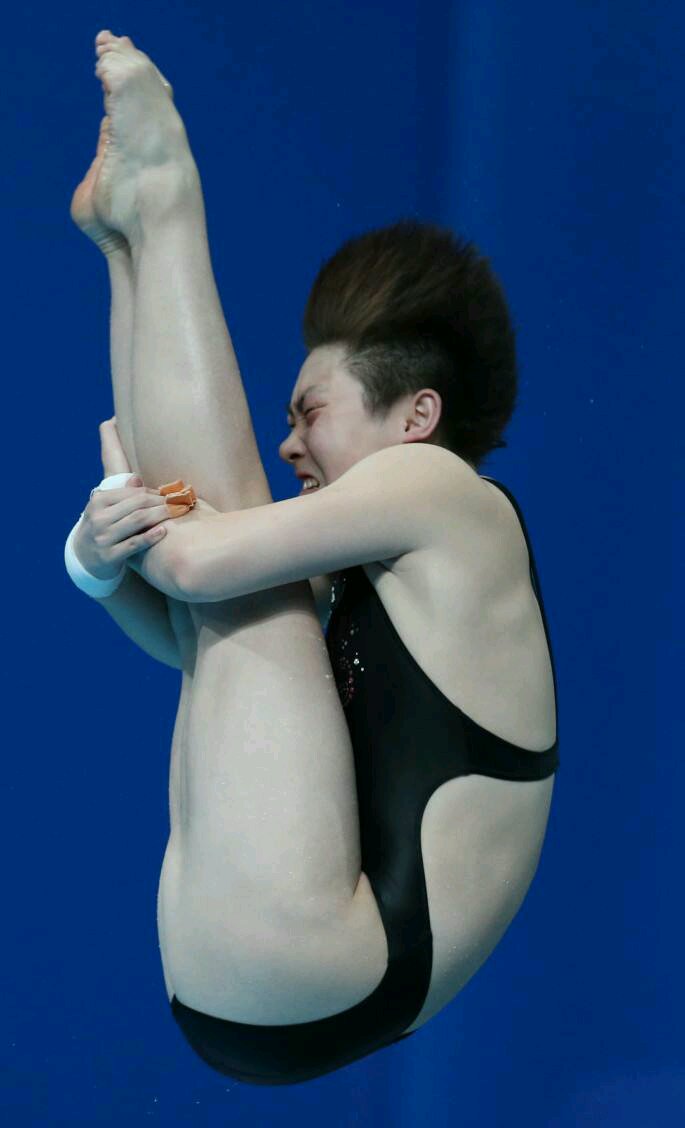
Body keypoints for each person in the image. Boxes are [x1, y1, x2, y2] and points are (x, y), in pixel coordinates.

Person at [68, 30, 559, 1086]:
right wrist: (99, 564)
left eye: (310, 413)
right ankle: (127, 239)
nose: (289, 444)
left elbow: (194, 563)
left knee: (234, 577)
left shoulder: (445, 494)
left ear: (415, 417)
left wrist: (125, 525)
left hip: (333, 956)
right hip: (289, 984)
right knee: (228, 610)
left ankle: (164, 207)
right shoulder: (380, 563)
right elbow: (182, 622)